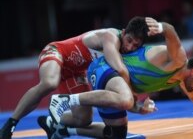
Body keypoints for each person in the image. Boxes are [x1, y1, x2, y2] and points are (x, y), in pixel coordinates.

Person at [43, 17, 193, 139]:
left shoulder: (182, 80)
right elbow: (172, 32)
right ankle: (65, 100)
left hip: (117, 80)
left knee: (116, 135)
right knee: (125, 99)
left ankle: (63, 128)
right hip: (105, 67)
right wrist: (162, 27)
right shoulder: (178, 60)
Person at [0, 16, 150, 139]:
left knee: (84, 119)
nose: (130, 47)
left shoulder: (127, 48)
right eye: (129, 40)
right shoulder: (110, 37)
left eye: (136, 45)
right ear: (123, 33)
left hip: (75, 73)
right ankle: (10, 123)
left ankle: (52, 122)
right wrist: (134, 101)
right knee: (49, 83)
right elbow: (121, 70)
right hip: (57, 52)